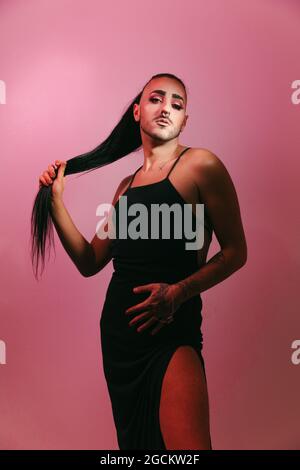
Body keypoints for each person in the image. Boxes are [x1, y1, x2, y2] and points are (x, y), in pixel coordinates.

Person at [34, 73, 247, 450]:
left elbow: (235, 252)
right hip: (120, 343)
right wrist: (56, 203)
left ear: (185, 120)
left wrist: (179, 292)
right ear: (136, 111)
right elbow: (89, 260)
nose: (167, 108)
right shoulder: (125, 188)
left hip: (171, 332)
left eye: (177, 104)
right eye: (156, 99)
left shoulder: (201, 165)